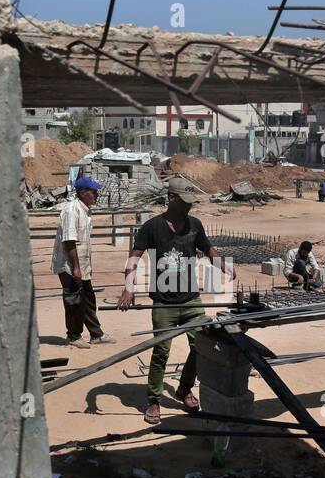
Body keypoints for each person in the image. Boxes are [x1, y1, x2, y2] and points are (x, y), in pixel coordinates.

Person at [118, 176, 235, 425]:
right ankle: (153, 399)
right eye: (185, 201)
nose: (190, 206)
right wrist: (128, 288)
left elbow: (209, 248)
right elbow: (134, 257)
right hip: (164, 302)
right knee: (161, 351)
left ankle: (183, 390)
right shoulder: (152, 227)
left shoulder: (195, 225)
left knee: (200, 347)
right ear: (171, 198)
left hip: (191, 300)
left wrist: (222, 264)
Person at [52, 175, 116, 349]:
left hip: (81, 265)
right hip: (70, 265)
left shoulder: (85, 210)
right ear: (83, 193)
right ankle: (73, 335)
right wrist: (76, 268)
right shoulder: (71, 210)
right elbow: (69, 241)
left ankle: (96, 334)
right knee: (74, 300)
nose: (97, 194)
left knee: (87, 298)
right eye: (94, 191)